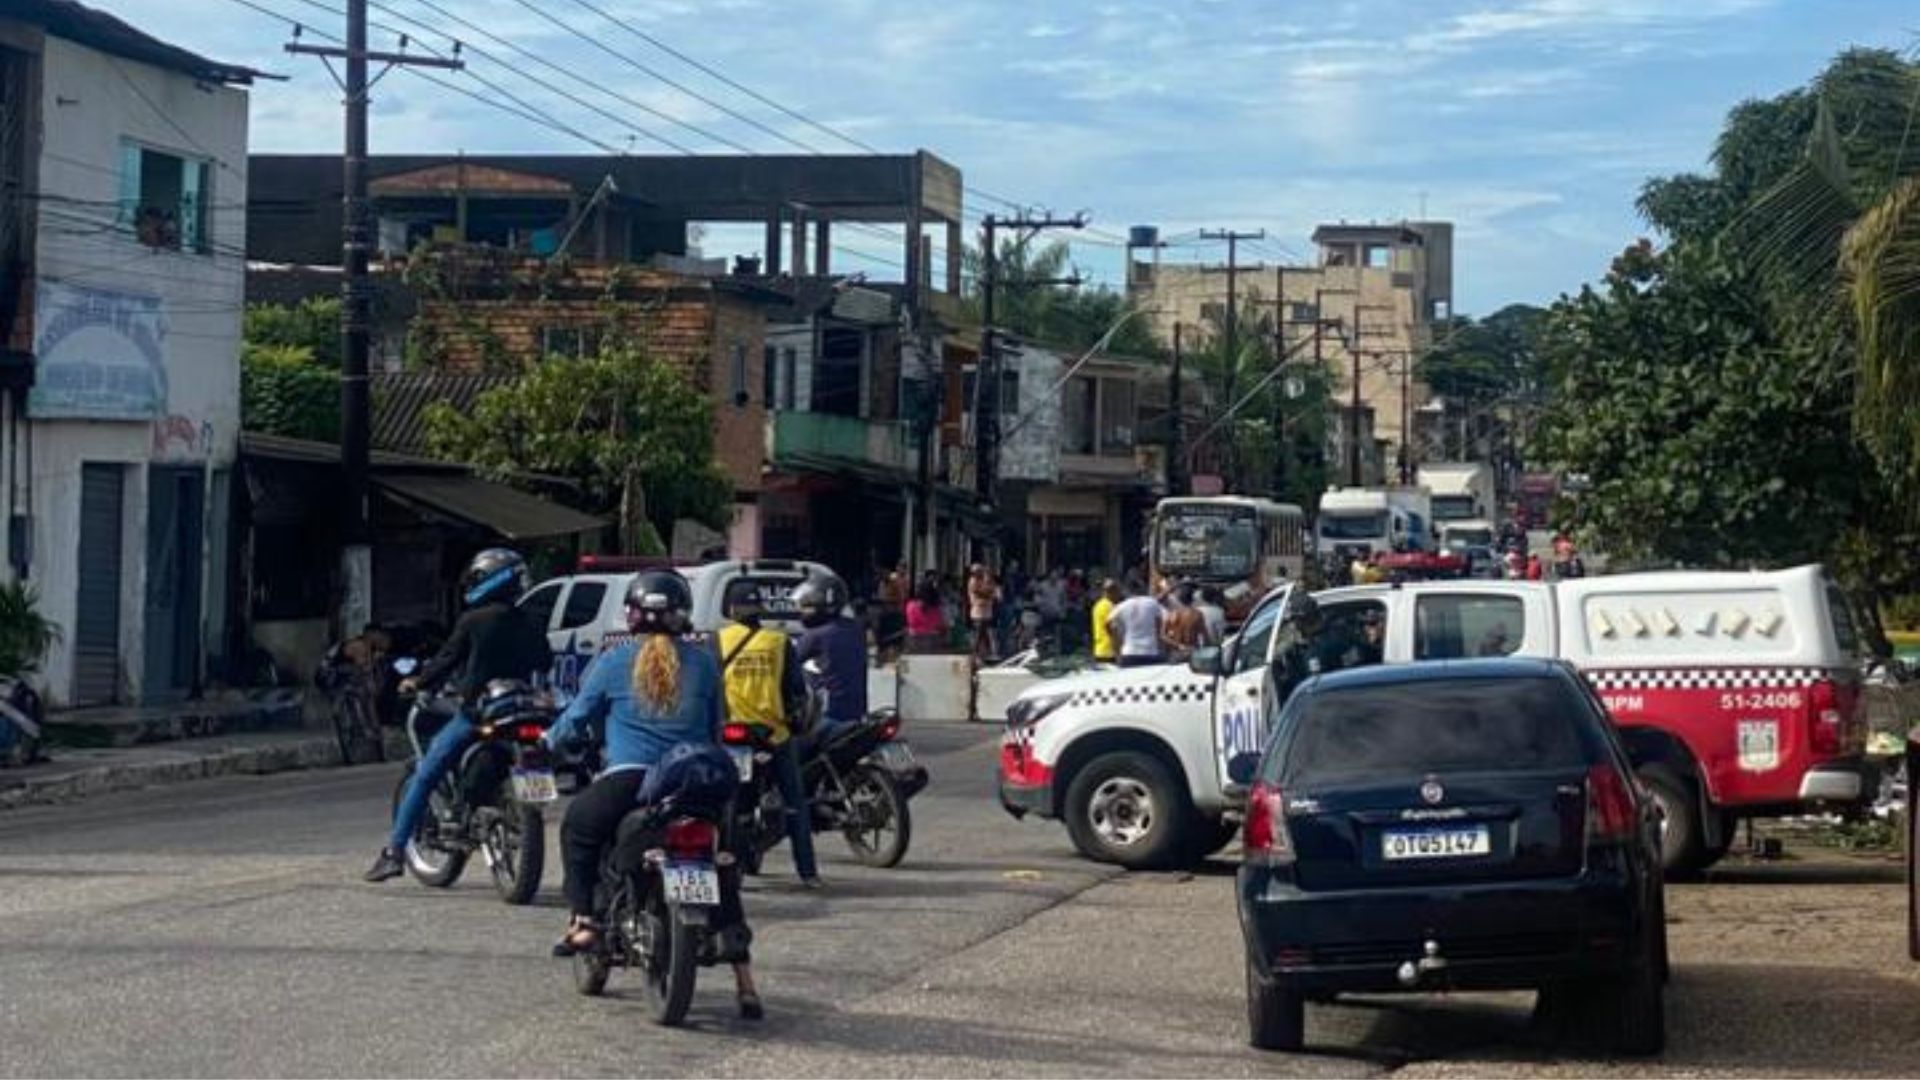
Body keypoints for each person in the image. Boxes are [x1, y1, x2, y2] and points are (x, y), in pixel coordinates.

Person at [544, 572, 763, 1018]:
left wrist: (550, 741)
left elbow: (575, 720)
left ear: (631, 615)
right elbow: (718, 727)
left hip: (630, 781)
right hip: (697, 782)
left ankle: (584, 921)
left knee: (578, 829)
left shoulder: (612, 661)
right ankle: (745, 982)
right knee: (721, 865)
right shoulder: (703, 663)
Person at [365, 548, 551, 884]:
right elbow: (545, 661)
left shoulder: (474, 621)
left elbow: (445, 661)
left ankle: (394, 852)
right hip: (526, 711)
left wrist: (416, 682)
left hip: (481, 712)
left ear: (491, 581)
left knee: (425, 773)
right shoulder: (534, 619)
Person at [716, 590, 818, 887]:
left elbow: (711, 688)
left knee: (724, 802)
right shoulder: (778, 642)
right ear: (760, 612)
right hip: (774, 733)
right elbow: (795, 690)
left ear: (732, 611)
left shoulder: (717, 641)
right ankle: (807, 872)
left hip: (732, 733)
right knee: (795, 801)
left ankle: (723, 867)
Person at [794, 573, 868, 749]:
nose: (803, 610)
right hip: (857, 713)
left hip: (828, 715)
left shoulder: (815, 636)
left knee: (789, 755)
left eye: (809, 605)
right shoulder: (855, 628)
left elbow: (788, 664)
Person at [1107, 584, 1166, 667]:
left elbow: (1108, 622)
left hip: (1129, 652)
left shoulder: (1122, 606)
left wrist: (1117, 640)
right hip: (1150, 651)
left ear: (1128, 592)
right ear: (1143, 589)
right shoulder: (1153, 603)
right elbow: (1161, 622)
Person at [1160, 581, 1210, 660]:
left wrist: (1179, 645)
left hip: (1176, 653)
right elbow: (1206, 638)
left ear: (1179, 599)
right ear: (1192, 599)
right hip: (1192, 652)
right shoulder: (1197, 614)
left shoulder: (1172, 614)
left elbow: (1163, 636)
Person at [904, 581, 947, 654]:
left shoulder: (910, 606)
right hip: (927, 640)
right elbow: (940, 625)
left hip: (918, 640)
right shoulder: (935, 609)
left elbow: (911, 623)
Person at [967, 564, 999, 661]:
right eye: (978, 571)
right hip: (978, 612)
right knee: (978, 634)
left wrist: (989, 582)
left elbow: (993, 592)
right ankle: (975, 654)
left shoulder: (985, 581)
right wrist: (989, 594)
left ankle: (988, 653)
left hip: (987, 612)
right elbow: (981, 593)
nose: (980, 573)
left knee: (988, 633)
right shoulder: (973, 581)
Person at [1090, 579, 1120, 663]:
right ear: (1112, 591)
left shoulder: (1097, 606)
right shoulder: (1110, 606)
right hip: (1109, 651)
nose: (1118, 594)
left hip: (1099, 650)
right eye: (1117, 591)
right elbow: (1112, 628)